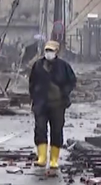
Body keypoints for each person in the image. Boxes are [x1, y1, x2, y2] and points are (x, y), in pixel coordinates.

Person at [28, 40, 76, 169]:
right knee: (40, 129)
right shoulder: (38, 65)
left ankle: (54, 159)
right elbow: (32, 82)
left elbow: (72, 81)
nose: (48, 53)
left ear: (56, 52)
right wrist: (34, 96)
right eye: (47, 50)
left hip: (57, 105)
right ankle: (42, 157)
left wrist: (63, 92)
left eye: (51, 50)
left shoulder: (63, 66)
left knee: (56, 130)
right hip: (41, 104)